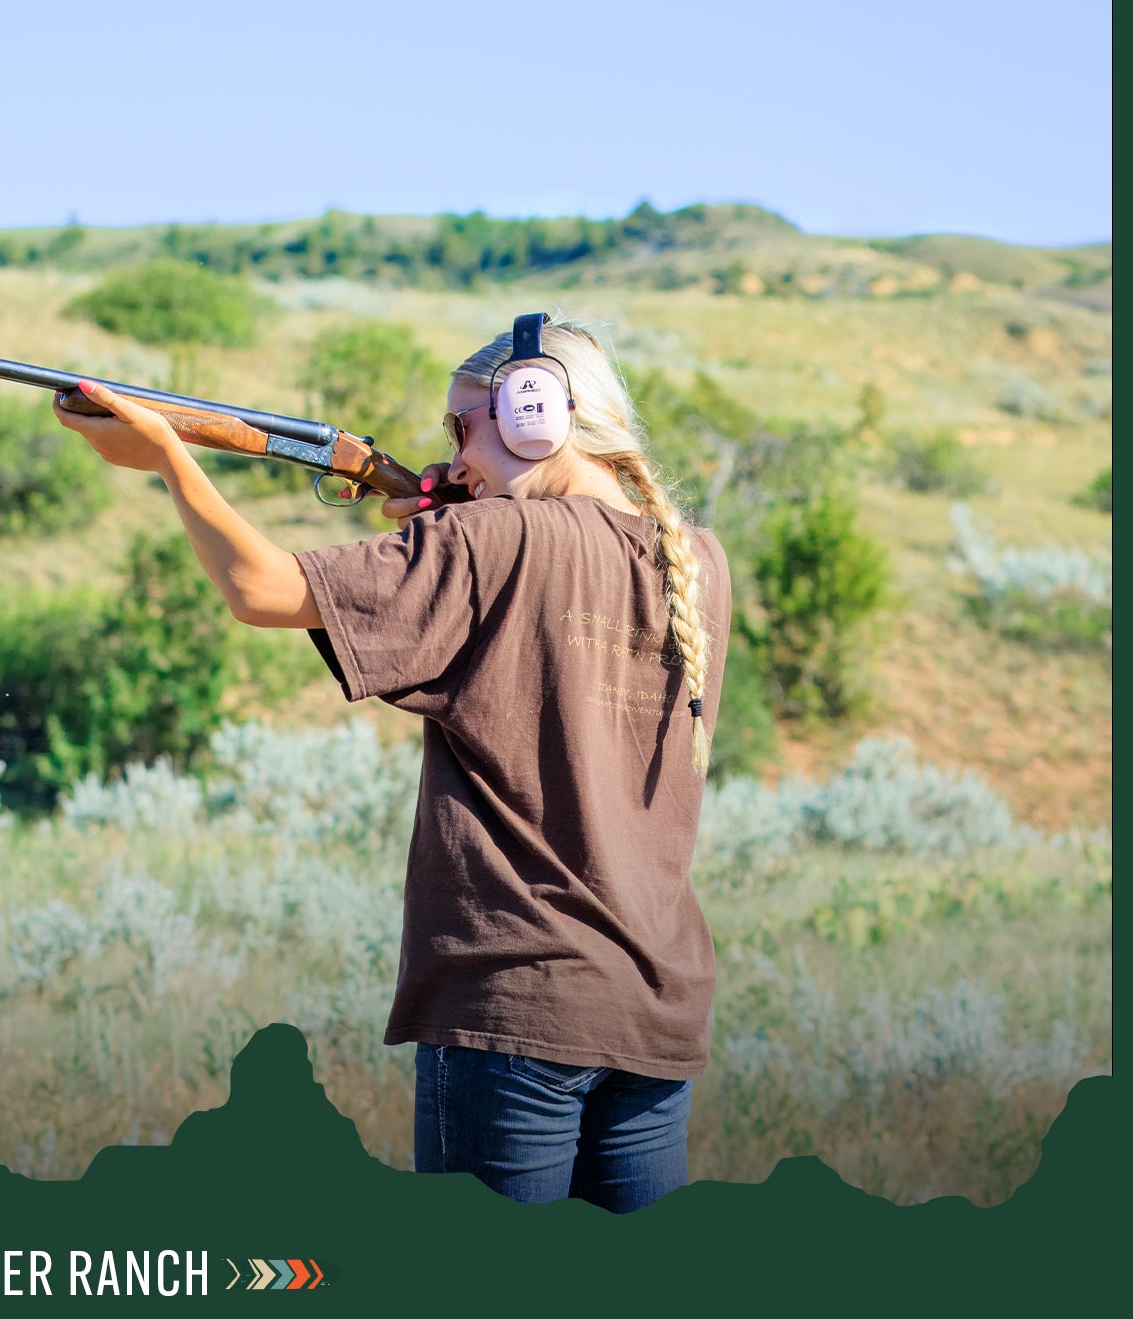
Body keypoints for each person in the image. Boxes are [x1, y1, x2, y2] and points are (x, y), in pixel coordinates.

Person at [54, 315, 731, 1213]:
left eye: (462, 427)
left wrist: (171, 461)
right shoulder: (699, 562)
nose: (452, 454)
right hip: (651, 1016)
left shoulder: (497, 541)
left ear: (538, 414)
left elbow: (261, 590)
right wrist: (460, 524)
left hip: (513, 1002)